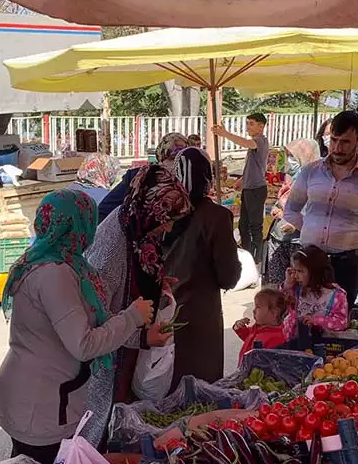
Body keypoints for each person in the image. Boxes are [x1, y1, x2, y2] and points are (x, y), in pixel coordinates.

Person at [0, 189, 156, 464]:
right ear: (78, 226)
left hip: (39, 392)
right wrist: (132, 317)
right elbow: (84, 344)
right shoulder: (54, 273)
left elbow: (82, 312)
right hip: (43, 403)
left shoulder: (47, 260)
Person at [84, 164, 188, 443]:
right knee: (105, 427)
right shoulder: (113, 244)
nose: (168, 227)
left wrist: (156, 283)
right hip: (112, 357)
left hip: (127, 351)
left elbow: (137, 275)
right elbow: (97, 315)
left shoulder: (137, 229)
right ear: (152, 208)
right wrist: (141, 337)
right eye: (167, 218)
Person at [284, 110, 358, 306]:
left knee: (339, 326)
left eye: (345, 142)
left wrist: (356, 239)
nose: (337, 148)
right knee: (302, 322)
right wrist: (311, 229)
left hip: (346, 266)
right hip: (308, 263)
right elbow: (291, 210)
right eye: (334, 140)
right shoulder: (311, 172)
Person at [164, 147, 242, 384]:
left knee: (166, 383)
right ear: (207, 178)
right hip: (199, 316)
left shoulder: (163, 211)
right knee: (200, 391)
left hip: (162, 311)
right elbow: (228, 276)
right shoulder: (216, 217)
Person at [213, 113, 269, 264]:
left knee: (255, 226)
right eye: (247, 123)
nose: (248, 127)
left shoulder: (260, 141)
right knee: (243, 225)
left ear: (261, 126)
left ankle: (257, 258)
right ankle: (246, 255)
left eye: (251, 124)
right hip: (249, 188)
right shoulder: (254, 145)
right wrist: (242, 180)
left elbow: (246, 143)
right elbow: (254, 167)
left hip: (257, 189)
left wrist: (225, 134)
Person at [264, 138, 320, 286]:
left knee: (300, 284)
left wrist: (293, 222)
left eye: (293, 156)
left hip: (300, 242)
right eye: (288, 155)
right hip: (280, 237)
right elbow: (284, 200)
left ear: (305, 156)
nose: (290, 160)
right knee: (279, 284)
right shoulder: (293, 177)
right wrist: (278, 208)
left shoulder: (317, 181)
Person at [98, 132, 188, 222]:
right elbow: (104, 210)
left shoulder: (190, 180)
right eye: (172, 158)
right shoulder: (138, 177)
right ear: (161, 158)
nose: (175, 165)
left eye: (181, 160)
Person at [282, 244, 349, 341]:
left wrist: (315, 321)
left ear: (315, 272)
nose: (296, 276)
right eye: (294, 271)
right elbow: (281, 302)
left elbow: (341, 322)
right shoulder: (296, 289)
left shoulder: (336, 295)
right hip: (291, 340)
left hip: (320, 344)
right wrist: (287, 283)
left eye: (300, 271)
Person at [233, 287, 289, 361]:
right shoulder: (258, 327)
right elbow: (248, 336)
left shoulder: (276, 338)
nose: (254, 311)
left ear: (275, 313)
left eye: (258, 307)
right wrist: (239, 327)